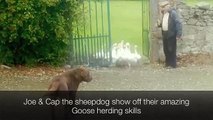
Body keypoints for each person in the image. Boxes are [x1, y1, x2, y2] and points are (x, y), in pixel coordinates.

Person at [157, 1, 182, 68]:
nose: (162, 9)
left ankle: (173, 64)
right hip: (165, 34)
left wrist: (178, 34)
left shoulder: (173, 13)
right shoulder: (164, 14)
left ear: (167, 7)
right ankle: (167, 64)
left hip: (171, 34)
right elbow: (163, 24)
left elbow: (178, 23)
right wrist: (159, 24)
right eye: (162, 7)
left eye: (163, 7)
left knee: (171, 49)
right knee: (166, 50)